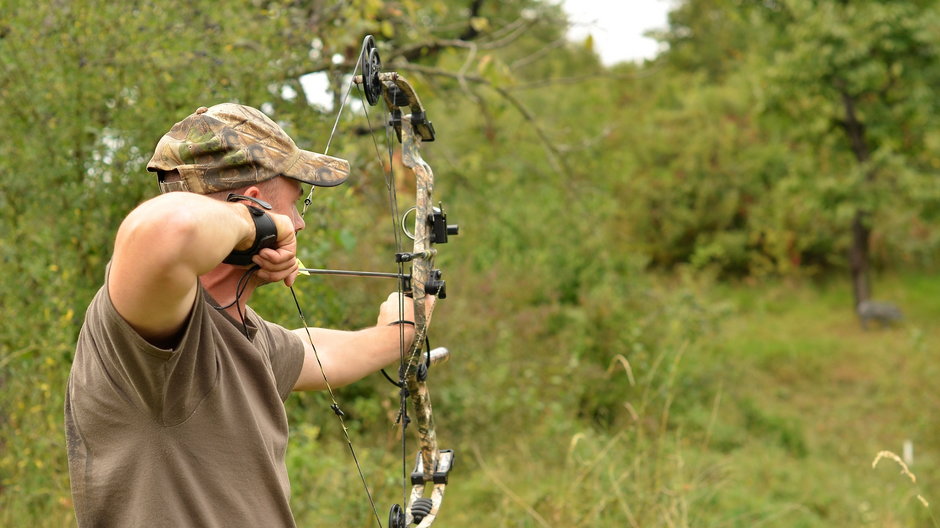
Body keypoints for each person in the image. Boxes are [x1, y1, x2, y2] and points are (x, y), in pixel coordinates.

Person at [65, 103, 420, 527]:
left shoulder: (242, 334)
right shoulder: (151, 343)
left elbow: (313, 351)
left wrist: (399, 331)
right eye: (294, 204)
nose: (299, 225)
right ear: (254, 207)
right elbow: (164, 231)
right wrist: (258, 226)